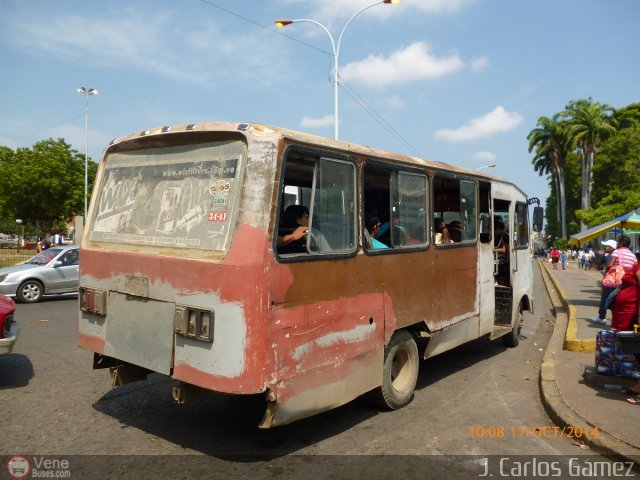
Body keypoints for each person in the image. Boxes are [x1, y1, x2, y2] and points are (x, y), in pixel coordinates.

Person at [592, 239, 618, 323]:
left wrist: (604, 279)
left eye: (606, 246)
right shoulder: (616, 255)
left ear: (612, 247)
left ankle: (601, 317)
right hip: (617, 281)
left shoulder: (610, 256)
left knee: (604, 299)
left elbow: (607, 268)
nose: (604, 247)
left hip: (610, 281)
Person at [494, 217, 509, 284]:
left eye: (494, 229)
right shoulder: (497, 237)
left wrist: (493, 250)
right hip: (497, 262)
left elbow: (504, 250)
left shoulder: (505, 236)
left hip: (503, 264)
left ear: (498, 229)